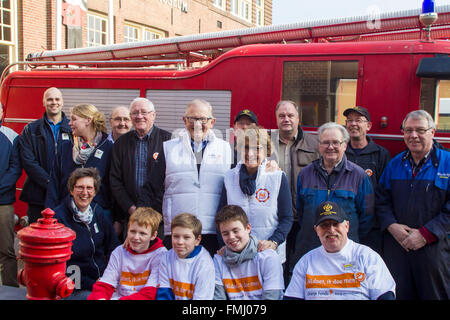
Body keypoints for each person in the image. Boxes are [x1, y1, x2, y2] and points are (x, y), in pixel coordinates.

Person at [376, 110, 449, 300]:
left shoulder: (447, 163)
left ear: (432, 132)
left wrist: (426, 234)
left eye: (420, 130)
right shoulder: (394, 164)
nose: (413, 135)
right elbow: (381, 200)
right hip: (398, 248)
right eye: (408, 130)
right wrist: (392, 226)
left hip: (435, 251)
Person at [295, 122, 374, 262]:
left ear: (345, 145)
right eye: (325, 142)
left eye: (336, 142)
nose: (330, 147)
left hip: (345, 253)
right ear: (319, 146)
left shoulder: (359, 176)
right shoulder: (305, 174)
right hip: (310, 250)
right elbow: (301, 213)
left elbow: (367, 217)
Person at [284, 201, 395, 300]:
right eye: (324, 225)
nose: (331, 230)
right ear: (316, 230)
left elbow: (385, 295)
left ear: (346, 226)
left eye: (336, 224)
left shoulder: (367, 257)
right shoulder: (306, 262)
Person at [162, 99, 231, 255]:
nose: (197, 123)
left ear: (212, 122)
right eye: (192, 118)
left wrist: (269, 166)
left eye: (203, 119)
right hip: (179, 231)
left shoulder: (226, 149)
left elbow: (243, 173)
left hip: (213, 231)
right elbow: (153, 188)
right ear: (184, 120)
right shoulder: (168, 148)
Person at [220, 125, 293, 263]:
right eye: (246, 147)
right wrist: (224, 245)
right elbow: (221, 217)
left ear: (266, 151)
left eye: (256, 148)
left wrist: (273, 242)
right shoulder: (229, 177)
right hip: (237, 255)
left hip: (268, 255)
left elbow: (287, 218)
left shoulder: (277, 177)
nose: (250, 153)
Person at [271, 100, 319, 282]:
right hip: (276, 217)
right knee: (277, 265)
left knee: (303, 265)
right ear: (276, 119)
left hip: (305, 218)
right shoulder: (265, 143)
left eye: (290, 115)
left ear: (298, 118)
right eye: (281, 116)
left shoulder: (315, 144)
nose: (286, 119)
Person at [110, 97, 171, 240]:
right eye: (135, 113)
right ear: (131, 117)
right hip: (131, 218)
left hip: (160, 219)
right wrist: (131, 208)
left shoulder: (168, 141)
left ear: (153, 115)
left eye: (144, 112)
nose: (139, 116)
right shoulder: (121, 144)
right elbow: (115, 180)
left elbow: (171, 179)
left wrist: (151, 212)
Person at [53, 167, 120, 300]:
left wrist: (108, 276)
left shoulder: (98, 212)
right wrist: (92, 283)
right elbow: (60, 265)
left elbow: (113, 247)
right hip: (74, 288)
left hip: (102, 282)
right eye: (80, 187)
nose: (85, 192)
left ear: (95, 192)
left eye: (89, 188)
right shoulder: (59, 218)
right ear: (71, 190)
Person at [46, 103, 113, 214]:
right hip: (65, 213)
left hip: (97, 214)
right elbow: (54, 181)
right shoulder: (65, 147)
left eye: (74, 119)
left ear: (88, 120)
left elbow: (112, 185)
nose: (69, 123)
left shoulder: (108, 147)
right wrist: (51, 212)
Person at [88, 207, 167, 300]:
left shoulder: (161, 254)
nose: (136, 237)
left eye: (142, 233)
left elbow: (150, 293)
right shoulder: (119, 251)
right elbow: (105, 284)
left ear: (153, 235)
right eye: (132, 231)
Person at [19, 87, 71, 223]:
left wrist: (65, 185)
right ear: (43, 102)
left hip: (64, 196)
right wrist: (49, 182)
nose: (54, 102)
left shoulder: (73, 128)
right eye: (50, 99)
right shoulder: (31, 130)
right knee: (37, 238)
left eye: (57, 99)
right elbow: (28, 161)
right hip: (38, 196)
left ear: (62, 102)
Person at [343, 106, 391, 253]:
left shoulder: (380, 154)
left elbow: (386, 191)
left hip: (373, 227)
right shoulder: (340, 152)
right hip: (343, 224)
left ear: (368, 126)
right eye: (349, 120)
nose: (353, 124)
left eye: (358, 120)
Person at [213, 205, 284, 300]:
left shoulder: (268, 257)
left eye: (235, 231)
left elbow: (271, 297)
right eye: (225, 233)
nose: (231, 237)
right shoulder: (218, 260)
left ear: (248, 228)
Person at [156, 213, 215, 300]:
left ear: (197, 240)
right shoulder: (166, 257)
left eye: (186, 237)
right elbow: (164, 293)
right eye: (176, 236)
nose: (180, 242)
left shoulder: (205, 264)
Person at [0, 104, 22, 287]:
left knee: (6, 249)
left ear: (2, 112)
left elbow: (15, 168)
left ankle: (9, 289)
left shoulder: (11, 136)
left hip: (3, 202)